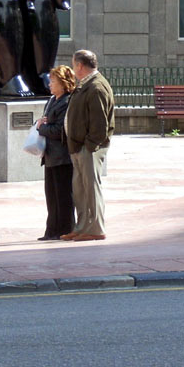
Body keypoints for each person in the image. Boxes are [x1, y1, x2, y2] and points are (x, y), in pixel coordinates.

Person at [62, 49, 115, 242]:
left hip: (89, 149)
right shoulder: (85, 85)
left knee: (91, 189)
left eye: (73, 64)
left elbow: (99, 124)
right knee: (81, 190)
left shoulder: (96, 87)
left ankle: (96, 228)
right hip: (78, 147)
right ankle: (82, 227)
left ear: (80, 65)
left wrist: (90, 146)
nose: (73, 69)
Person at [36, 65, 76, 241]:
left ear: (63, 83)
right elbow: (47, 122)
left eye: (53, 81)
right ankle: (51, 230)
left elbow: (60, 130)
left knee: (63, 196)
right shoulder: (52, 100)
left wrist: (42, 127)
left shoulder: (67, 102)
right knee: (51, 196)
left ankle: (64, 229)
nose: (50, 84)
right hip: (50, 155)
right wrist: (42, 123)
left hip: (62, 157)